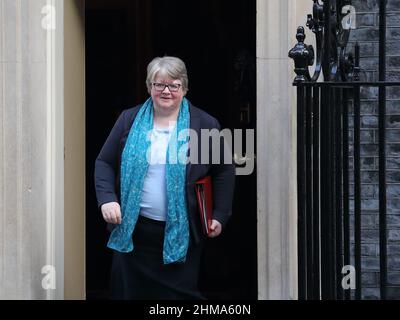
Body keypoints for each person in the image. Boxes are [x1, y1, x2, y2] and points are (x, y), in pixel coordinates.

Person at [94, 56, 235, 300]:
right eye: (159, 84)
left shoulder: (204, 124)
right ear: (149, 87)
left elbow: (224, 170)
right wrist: (107, 199)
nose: (166, 91)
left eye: (174, 85)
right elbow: (104, 162)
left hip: (182, 235)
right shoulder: (129, 119)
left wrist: (220, 215)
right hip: (133, 234)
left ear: (185, 88)